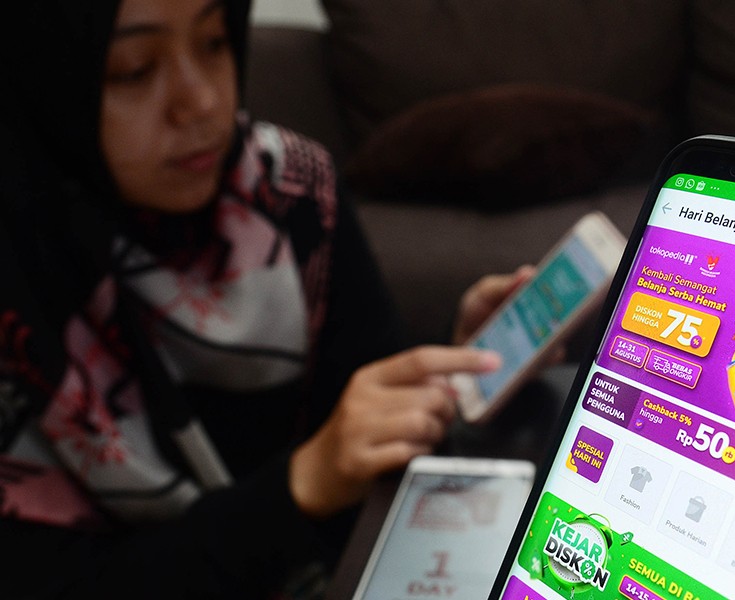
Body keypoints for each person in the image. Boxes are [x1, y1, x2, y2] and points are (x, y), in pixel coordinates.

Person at [0, 0, 534, 597]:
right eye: (134, 69)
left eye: (213, 42)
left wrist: (447, 381)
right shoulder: (19, 287)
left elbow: (371, 445)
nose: (203, 101)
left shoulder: (292, 192)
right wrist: (298, 490)